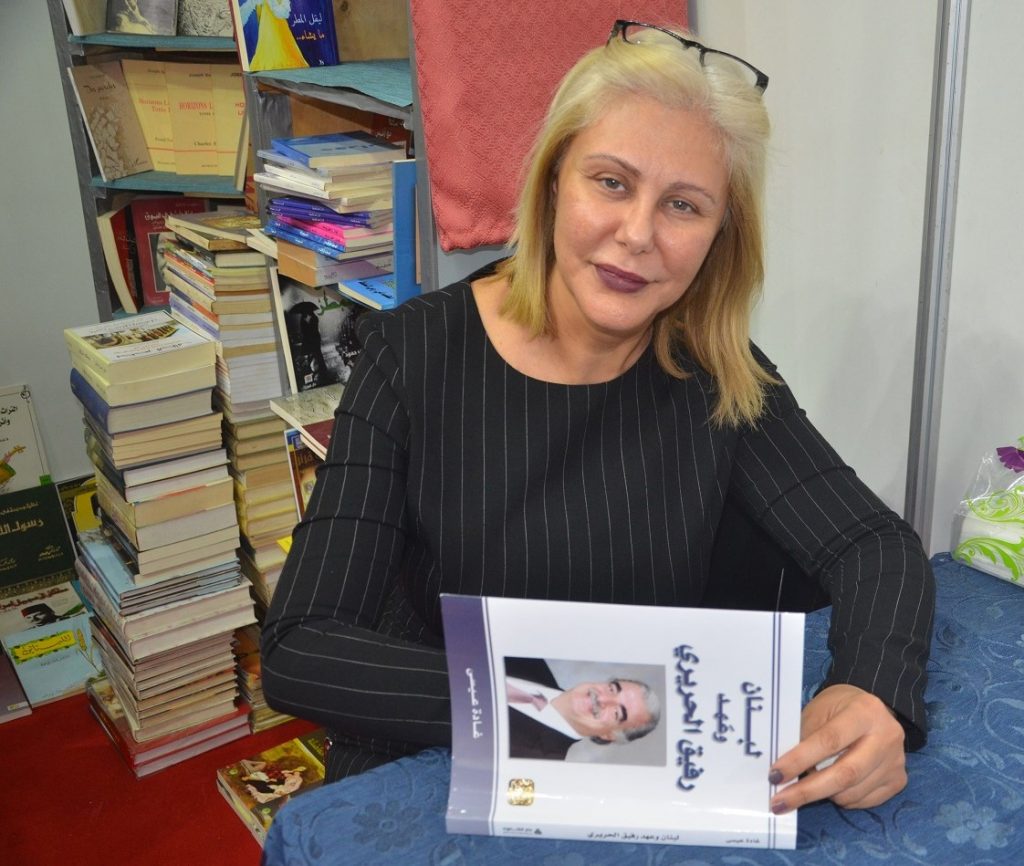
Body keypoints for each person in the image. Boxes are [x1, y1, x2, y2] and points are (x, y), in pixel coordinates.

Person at [262, 20, 935, 817]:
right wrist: (550, 708)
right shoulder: (412, 355)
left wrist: (871, 689)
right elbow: (302, 646)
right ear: (554, 183)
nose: (638, 234)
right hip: (444, 761)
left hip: (636, 770)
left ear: (719, 238)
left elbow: (873, 544)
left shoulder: (717, 375)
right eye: (611, 182)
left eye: (683, 205)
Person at [504, 657, 660, 760]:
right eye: (612, 689)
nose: (602, 699)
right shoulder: (531, 662)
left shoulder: (536, 762)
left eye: (616, 713)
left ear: (608, 735)